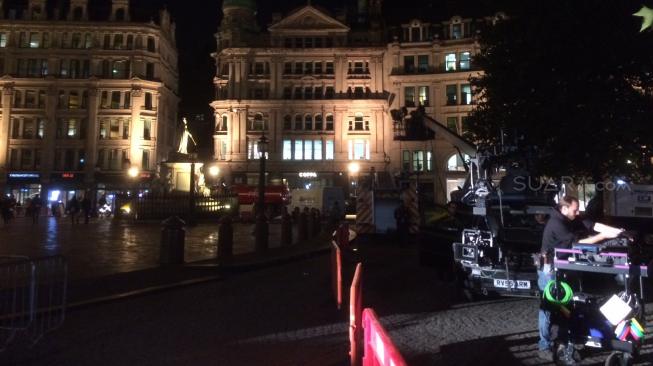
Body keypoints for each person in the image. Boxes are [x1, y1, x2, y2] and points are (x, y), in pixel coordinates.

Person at [536, 196, 620, 361]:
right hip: (549, 269)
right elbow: (579, 243)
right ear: (564, 209)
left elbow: (593, 224)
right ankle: (544, 345)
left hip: (562, 267)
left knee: (567, 306)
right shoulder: (556, 223)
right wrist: (602, 237)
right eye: (575, 210)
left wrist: (616, 231)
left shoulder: (570, 217)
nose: (578, 212)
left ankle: (564, 340)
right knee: (548, 308)